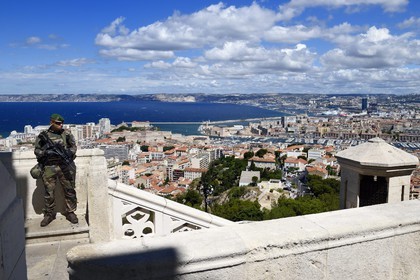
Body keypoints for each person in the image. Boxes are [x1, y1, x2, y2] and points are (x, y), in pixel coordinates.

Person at [34, 113, 78, 227]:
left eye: (62, 123)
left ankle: (70, 211)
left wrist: (69, 153)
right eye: (58, 123)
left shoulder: (66, 134)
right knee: (49, 192)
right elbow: (37, 150)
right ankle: (49, 214)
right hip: (49, 167)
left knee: (69, 189)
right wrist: (45, 153)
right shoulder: (43, 135)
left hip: (64, 166)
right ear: (51, 122)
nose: (61, 125)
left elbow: (73, 146)